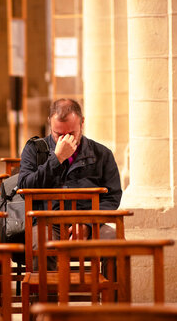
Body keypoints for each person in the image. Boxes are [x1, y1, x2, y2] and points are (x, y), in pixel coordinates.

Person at [17, 98, 122, 270]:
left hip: (90, 222)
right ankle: (46, 297)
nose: (65, 139)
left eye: (71, 133)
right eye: (58, 134)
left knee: (117, 245)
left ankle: (113, 296)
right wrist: (56, 159)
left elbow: (112, 196)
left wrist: (87, 223)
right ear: (50, 124)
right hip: (47, 223)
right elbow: (24, 188)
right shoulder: (34, 150)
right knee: (42, 248)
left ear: (82, 123)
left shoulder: (102, 154)